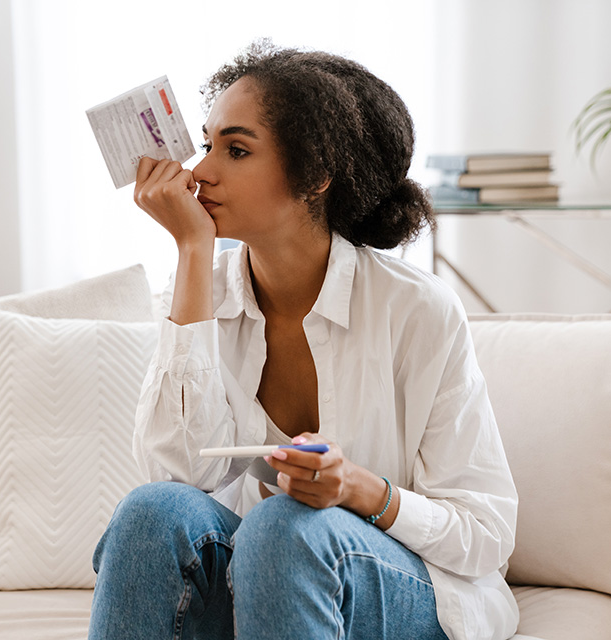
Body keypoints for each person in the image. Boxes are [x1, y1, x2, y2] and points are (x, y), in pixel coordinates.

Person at [88, 41, 519, 640]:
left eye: (236, 150)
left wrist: (360, 490)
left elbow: (487, 534)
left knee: (283, 527)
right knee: (150, 512)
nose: (202, 171)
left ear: (315, 176)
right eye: (207, 145)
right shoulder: (196, 287)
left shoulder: (417, 309)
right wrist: (192, 251)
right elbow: (176, 471)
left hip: (394, 585)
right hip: (265, 586)